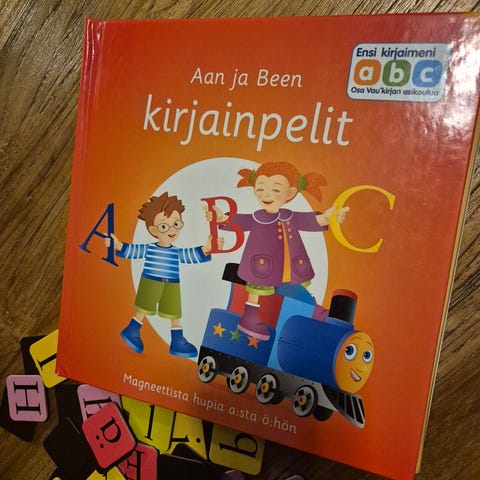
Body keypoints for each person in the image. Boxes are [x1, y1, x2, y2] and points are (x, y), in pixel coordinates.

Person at [209, 161, 349, 341]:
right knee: (257, 289)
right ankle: (249, 317)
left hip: (288, 268)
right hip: (261, 265)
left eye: (275, 190)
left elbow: (311, 221)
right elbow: (239, 222)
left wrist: (329, 217)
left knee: (295, 289)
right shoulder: (257, 218)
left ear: (290, 193)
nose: (266, 195)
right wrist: (221, 218)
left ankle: (313, 310)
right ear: (254, 191)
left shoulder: (290, 216)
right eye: (260, 189)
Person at [106, 192, 221, 358]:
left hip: (171, 285)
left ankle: (177, 340)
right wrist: (118, 246)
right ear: (153, 229)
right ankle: (132, 330)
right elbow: (134, 251)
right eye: (164, 226)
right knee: (144, 308)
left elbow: (187, 255)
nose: (172, 230)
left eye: (176, 223)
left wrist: (205, 249)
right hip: (151, 282)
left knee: (173, 312)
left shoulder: (175, 252)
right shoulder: (150, 248)